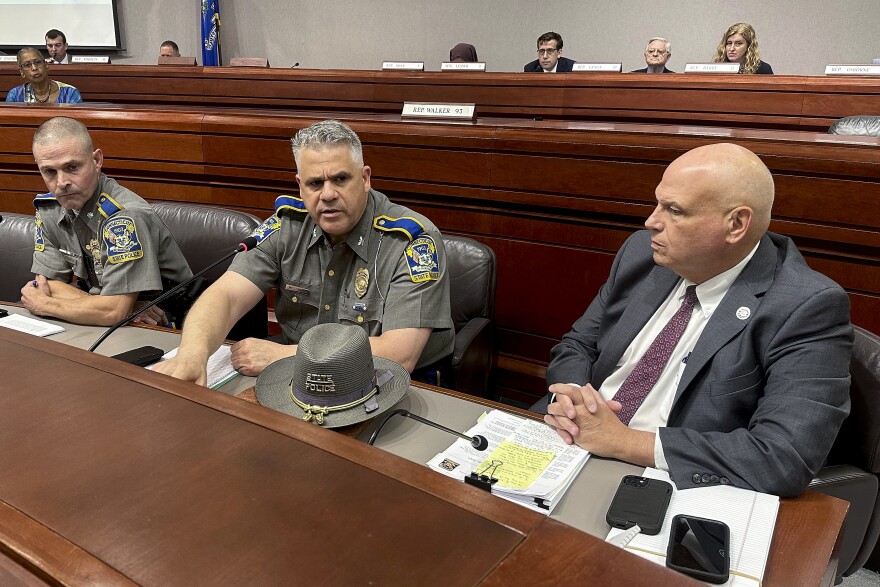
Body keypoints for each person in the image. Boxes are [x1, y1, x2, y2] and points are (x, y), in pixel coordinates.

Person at [540, 143, 852, 497]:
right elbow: (577, 344)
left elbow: (783, 457)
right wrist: (571, 401)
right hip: (569, 444)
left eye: (674, 210)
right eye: (658, 202)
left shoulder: (805, 305)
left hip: (671, 480)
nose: (651, 222)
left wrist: (624, 442)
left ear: (736, 224)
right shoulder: (642, 254)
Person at [153, 119, 454, 385]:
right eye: (315, 183)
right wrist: (192, 354)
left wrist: (285, 357)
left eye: (340, 179)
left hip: (387, 382)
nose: (327, 194)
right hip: (300, 384)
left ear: (365, 178)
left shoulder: (412, 241)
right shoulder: (288, 227)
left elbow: (400, 355)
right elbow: (227, 295)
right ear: (300, 187)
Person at [21, 117, 193, 327]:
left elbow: (113, 313)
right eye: (49, 171)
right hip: (113, 322)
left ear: (96, 161)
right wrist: (110, 306)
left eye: (72, 167)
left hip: (169, 324)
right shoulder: (51, 208)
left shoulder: (125, 216)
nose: (62, 182)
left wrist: (44, 305)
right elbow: (46, 285)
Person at [5, 47, 82, 104]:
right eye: (27, 65)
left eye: (38, 62)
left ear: (46, 65)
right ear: (21, 72)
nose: (34, 68)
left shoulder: (70, 93)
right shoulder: (15, 95)